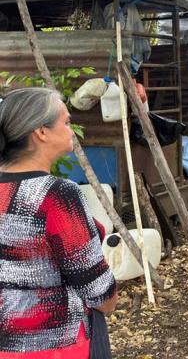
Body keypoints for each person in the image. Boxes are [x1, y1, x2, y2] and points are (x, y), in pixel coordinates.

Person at [0, 88, 118, 357]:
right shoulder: (56, 195)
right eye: (66, 122)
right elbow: (98, 289)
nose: (71, 131)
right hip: (60, 344)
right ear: (41, 131)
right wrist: (109, 300)